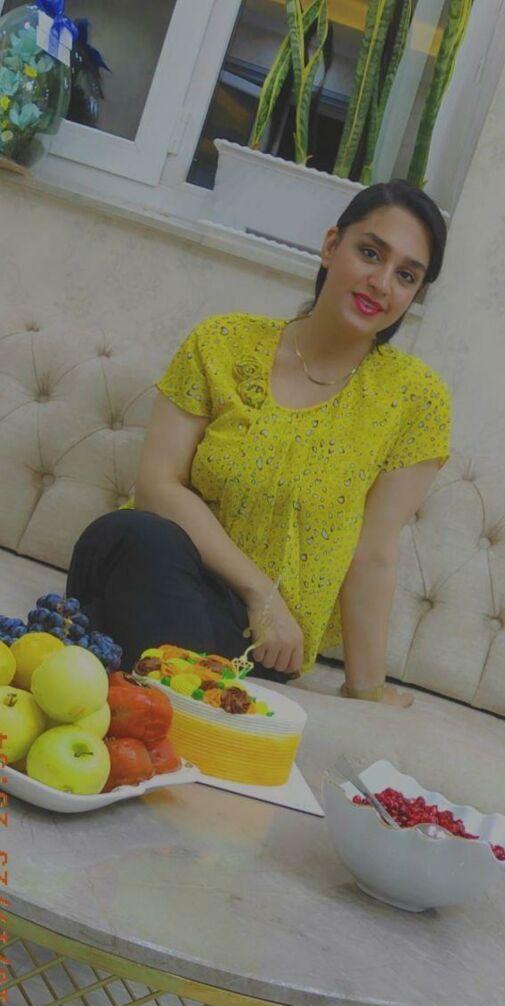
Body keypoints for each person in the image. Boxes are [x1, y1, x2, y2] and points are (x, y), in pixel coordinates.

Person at [67, 180, 451, 708]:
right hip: (156, 569)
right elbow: (156, 486)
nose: (382, 283)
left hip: (261, 643)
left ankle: (123, 689)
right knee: (132, 535)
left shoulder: (414, 400)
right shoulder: (222, 344)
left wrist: (366, 692)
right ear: (331, 245)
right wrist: (260, 593)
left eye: (406, 275)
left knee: (121, 617)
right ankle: (168, 704)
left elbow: (374, 552)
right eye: (370, 253)